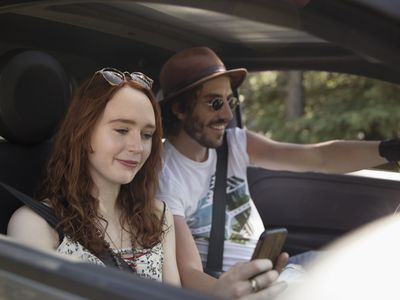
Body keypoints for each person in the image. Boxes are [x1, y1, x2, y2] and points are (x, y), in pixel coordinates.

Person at [155, 47, 397, 297]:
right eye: (215, 102)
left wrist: (388, 150)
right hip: (246, 286)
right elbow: (189, 273)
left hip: (279, 271)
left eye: (230, 101)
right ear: (180, 109)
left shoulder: (234, 144)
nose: (227, 114)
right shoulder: (167, 176)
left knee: (372, 264)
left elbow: (320, 157)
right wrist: (238, 292)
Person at [7, 68, 180, 285]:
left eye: (147, 135)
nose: (138, 147)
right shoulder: (36, 224)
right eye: (121, 130)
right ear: (83, 132)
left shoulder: (159, 216)